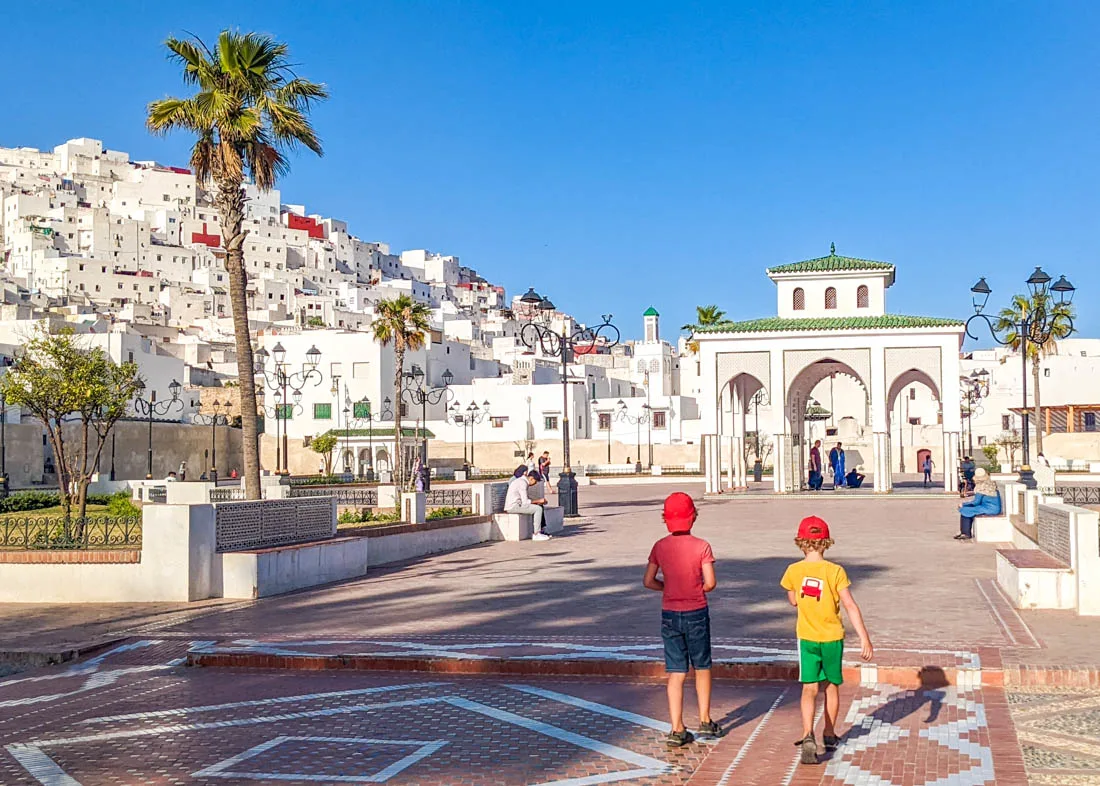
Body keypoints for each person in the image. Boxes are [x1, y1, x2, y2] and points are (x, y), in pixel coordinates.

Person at [781, 516, 874, 766]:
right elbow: (850, 605)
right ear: (826, 543)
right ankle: (829, 733)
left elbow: (793, 600)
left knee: (809, 688)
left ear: (801, 543)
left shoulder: (793, 570)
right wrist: (865, 638)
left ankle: (806, 733)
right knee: (831, 685)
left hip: (807, 637)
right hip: (832, 638)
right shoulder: (835, 571)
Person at [643, 492, 721, 747]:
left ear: (666, 518)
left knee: (676, 671)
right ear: (693, 517)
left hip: (670, 613)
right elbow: (710, 583)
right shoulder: (702, 546)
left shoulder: (660, 546)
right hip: (696, 611)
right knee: (702, 666)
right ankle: (705, 720)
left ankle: (677, 727)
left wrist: (666, 587)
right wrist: (696, 588)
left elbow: (648, 580)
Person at [956, 468, 1001, 541]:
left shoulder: (981, 487)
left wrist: (963, 504)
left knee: (965, 510)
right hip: (992, 507)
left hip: (989, 508)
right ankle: (964, 532)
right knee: (968, 510)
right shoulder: (990, 483)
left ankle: (965, 533)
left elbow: (976, 502)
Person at [506, 469, 551, 541]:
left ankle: (541, 529)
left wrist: (537, 502)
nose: (535, 484)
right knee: (538, 509)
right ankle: (537, 534)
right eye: (535, 481)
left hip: (516, 504)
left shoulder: (521, 481)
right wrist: (539, 501)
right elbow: (525, 502)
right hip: (514, 506)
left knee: (539, 506)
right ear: (531, 478)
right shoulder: (522, 483)